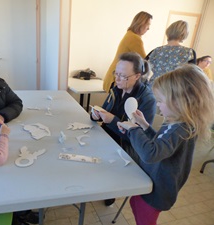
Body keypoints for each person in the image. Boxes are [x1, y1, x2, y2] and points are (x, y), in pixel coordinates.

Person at [117, 64, 214, 225]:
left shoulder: (181, 129)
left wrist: (133, 129)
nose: (158, 106)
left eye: (161, 101)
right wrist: (144, 125)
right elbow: (161, 145)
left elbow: (151, 153)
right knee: (134, 203)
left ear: (181, 102)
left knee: (144, 216)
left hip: (158, 190)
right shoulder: (176, 123)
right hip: (150, 181)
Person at [91, 52, 157, 206]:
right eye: (116, 73)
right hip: (108, 137)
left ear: (137, 76)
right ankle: (97, 181)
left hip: (128, 146)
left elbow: (140, 139)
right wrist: (95, 115)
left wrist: (112, 120)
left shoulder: (147, 99)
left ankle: (110, 189)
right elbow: (105, 110)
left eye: (123, 76)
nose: (117, 79)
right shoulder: (117, 88)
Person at [103, 11, 152, 93]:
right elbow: (145, 61)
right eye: (148, 25)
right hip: (118, 78)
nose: (148, 28)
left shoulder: (129, 34)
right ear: (141, 23)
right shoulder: (134, 38)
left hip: (115, 76)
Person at [146, 20, 196, 86]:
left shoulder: (156, 51)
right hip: (174, 89)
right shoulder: (189, 53)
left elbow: (142, 68)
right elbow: (192, 76)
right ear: (184, 34)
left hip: (154, 87)